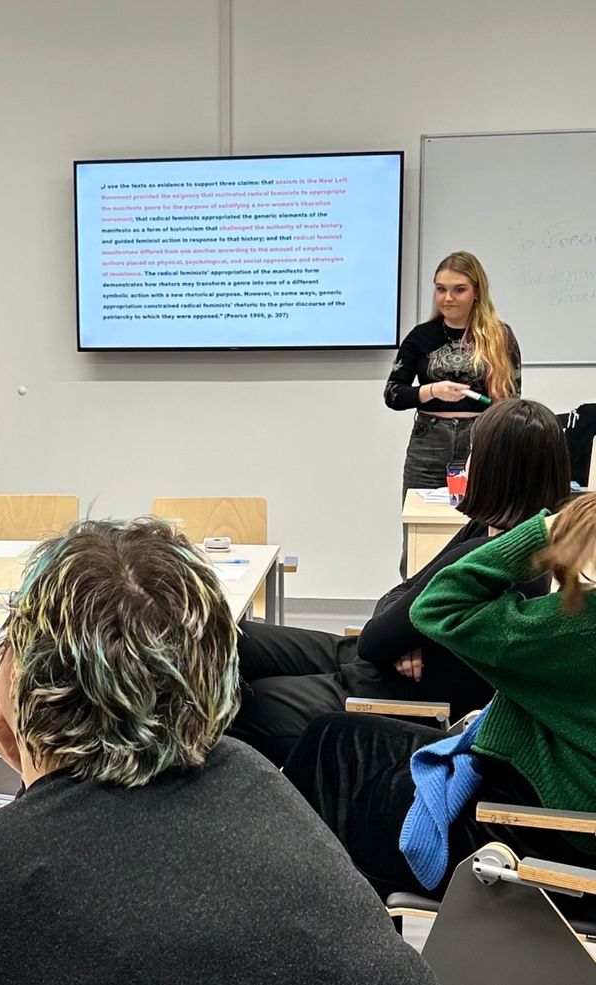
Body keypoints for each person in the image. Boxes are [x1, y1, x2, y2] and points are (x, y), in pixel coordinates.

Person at [0, 518, 435, 985]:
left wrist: (34, 765)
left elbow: (53, 879)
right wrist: (35, 776)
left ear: (22, 682)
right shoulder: (255, 776)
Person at [283, 493, 596, 901]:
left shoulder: (576, 630)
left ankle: (326, 909)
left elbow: (435, 605)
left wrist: (542, 533)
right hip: (548, 782)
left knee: (330, 776)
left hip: (534, 827)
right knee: (328, 734)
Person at [229, 398, 569, 767]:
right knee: (231, 636)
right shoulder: (498, 533)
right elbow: (400, 593)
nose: (465, 463)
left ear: (495, 469)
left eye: (472, 452)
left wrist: (400, 630)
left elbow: (378, 637)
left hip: (382, 694)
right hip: (367, 659)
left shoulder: (487, 557)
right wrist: (407, 634)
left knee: (233, 702)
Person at [386, 251, 520, 575]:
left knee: (482, 532)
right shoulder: (421, 336)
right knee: (420, 535)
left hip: (482, 441)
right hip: (429, 442)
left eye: (458, 289)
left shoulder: (500, 336)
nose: (448, 298)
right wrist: (431, 390)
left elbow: (514, 401)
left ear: (476, 291)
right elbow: (393, 393)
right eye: (440, 289)